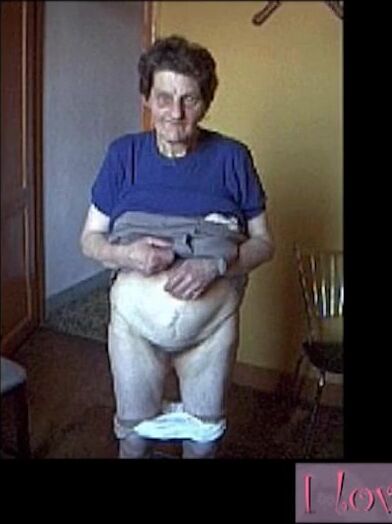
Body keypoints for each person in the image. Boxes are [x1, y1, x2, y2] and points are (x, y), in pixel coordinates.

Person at [80, 35, 275, 458]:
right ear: (147, 99)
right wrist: (125, 254)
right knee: (134, 439)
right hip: (134, 332)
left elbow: (264, 244)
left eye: (190, 99)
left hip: (211, 333)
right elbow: (89, 240)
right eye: (164, 98)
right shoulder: (124, 155)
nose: (176, 112)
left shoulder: (233, 157)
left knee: (202, 445)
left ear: (206, 103)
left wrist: (215, 265)